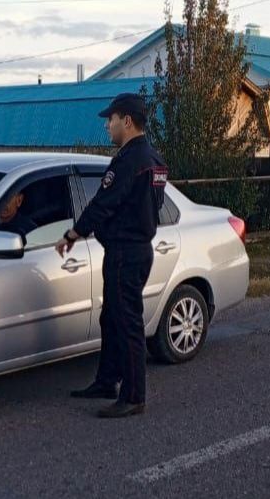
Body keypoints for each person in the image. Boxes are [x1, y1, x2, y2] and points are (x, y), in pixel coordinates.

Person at [55, 93, 168, 419]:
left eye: (111, 120)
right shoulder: (155, 159)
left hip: (125, 253)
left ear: (127, 121)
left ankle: (133, 396)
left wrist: (73, 234)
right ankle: (107, 381)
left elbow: (104, 203)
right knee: (112, 318)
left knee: (127, 322)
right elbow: (151, 206)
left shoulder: (130, 160)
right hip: (136, 250)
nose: (107, 126)